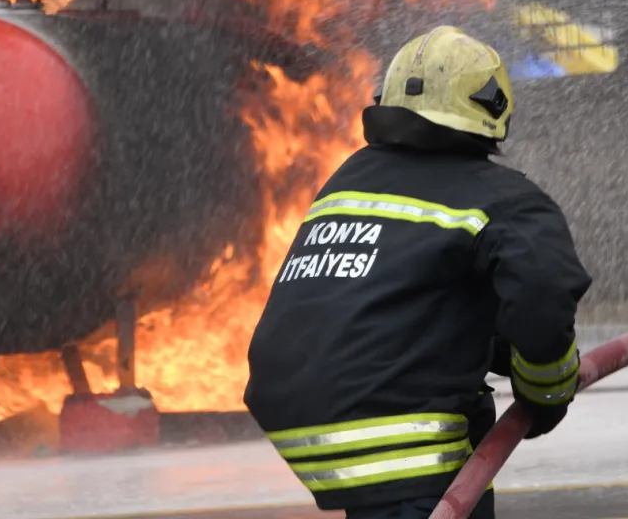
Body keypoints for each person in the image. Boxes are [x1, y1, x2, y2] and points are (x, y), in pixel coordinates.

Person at [244, 26, 593, 519]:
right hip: (404, 436)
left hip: (305, 424)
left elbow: (406, 302)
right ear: (493, 105)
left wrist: (499, 348)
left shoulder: (349, 179)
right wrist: (546, 395)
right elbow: (543, 296)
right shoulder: (502, 198)